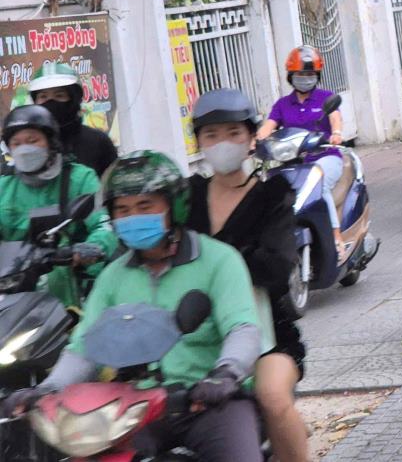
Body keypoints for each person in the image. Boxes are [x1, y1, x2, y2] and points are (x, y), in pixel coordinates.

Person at [2, 150, 264, 462]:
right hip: (135, 406)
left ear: (173, 207)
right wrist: (48, 388)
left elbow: (242, 328)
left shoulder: (219, 260)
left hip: (210, 402)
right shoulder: (113, 276)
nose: (133, 217)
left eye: (145, 206)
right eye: (123, 210)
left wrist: (226, 373)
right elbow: (85, 346)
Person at [188, 89, 308, 462]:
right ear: (199, 142)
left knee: (272, 397)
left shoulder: (272, 196)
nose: (222, 143)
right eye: (211, 135)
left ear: (250, 137)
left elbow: (276, 268)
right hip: (192, 337)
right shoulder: (185, 198)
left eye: (232, 133)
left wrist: (220, 264)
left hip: (267, 337)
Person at [0, 104, 116, 308]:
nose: (24, 149)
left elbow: (104, 224)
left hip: (76, 287)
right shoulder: (4, 187)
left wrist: (91, 248)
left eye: (32, 140)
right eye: (16, 143)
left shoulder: (80, 178)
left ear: (51, 142)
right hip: (15, 293)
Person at [258, 45, 346, 258]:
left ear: (317, 75)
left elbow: (335, 117)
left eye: (309, 74)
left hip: (325, 157)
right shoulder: (282, 104)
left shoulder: (326, 97)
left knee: (318, 184)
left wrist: (336, 133)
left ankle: (336, 237)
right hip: (292, 162)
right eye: (300, 74)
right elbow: (268, 127)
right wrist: (255, 141)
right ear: (291, 76)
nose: (305, 78)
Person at [29, 62, 117, 177]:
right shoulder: (29, 143)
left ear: (73, 100)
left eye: (59, 95)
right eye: (43, 96)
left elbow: (111, 188)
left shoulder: (98, 142)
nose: (50, 102)